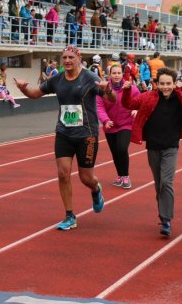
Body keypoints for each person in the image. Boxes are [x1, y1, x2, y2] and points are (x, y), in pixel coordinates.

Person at [14, 46, 110, 230]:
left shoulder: (90, 77)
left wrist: (108, 90)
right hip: (64, 133)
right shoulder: (57, 79)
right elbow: (35, 94)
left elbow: (110, 99)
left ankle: (96, 189)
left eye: (70, 57)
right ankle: (69, 216)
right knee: (63, 173)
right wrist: (23, 89)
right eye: (64, 57)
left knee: (86, 177)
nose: (67, 60)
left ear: (78, 57)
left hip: (87, 135)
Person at [122, 67, 182, 236]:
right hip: (153, 147)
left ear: (175, 84)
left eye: (169, 84)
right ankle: (163, 214)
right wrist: (127, 90)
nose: (165, 87)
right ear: (156, 84)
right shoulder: (147, 97)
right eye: (162, 84)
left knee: (166, 182)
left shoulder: (181, 98)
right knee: (159, 184)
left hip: (171, 147)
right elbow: (128, 104)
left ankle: (166, 220)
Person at [97, 64, 140, 189]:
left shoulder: (131, 88)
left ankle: (125, 176)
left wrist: (136, 110)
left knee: (122, 148)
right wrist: (105, 120)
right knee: (115, 152)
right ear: (109, 75)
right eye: (114, 73)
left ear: (122, 74)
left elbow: (139, 101)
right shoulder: (103, 89)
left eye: (119, 73)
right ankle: (120, 175)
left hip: (126, 123)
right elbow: (99, 106)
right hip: (110, 125)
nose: (116, 75)